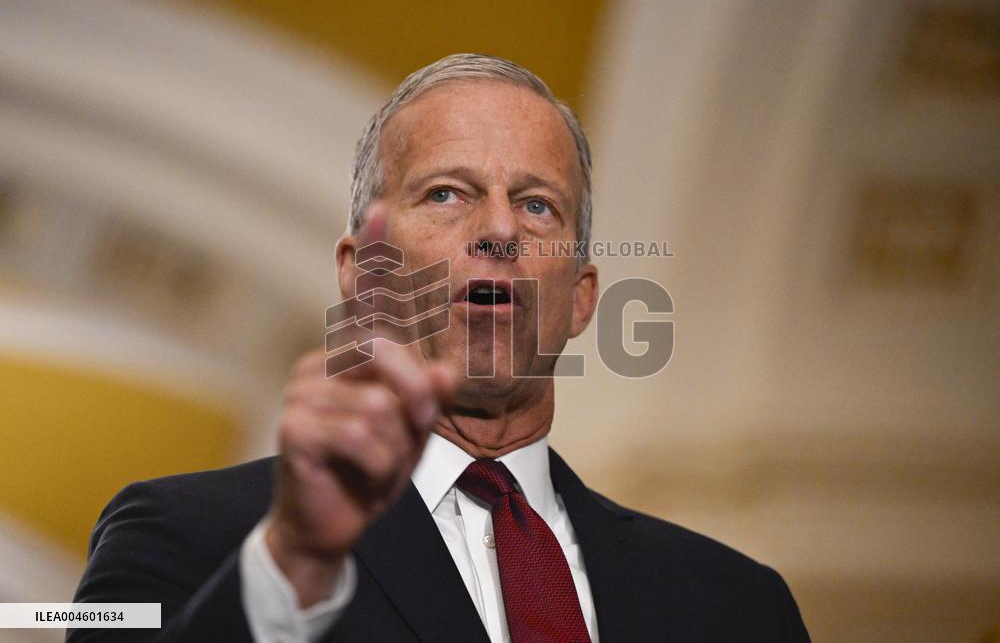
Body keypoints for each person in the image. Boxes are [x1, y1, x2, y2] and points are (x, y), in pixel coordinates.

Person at [70, 54, 810, 642]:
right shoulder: (188, 534)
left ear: (581, 298)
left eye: (537, 205)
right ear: (362, 274)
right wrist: (292, 564)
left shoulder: (737, 604)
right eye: (447, 194)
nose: (500, 230)